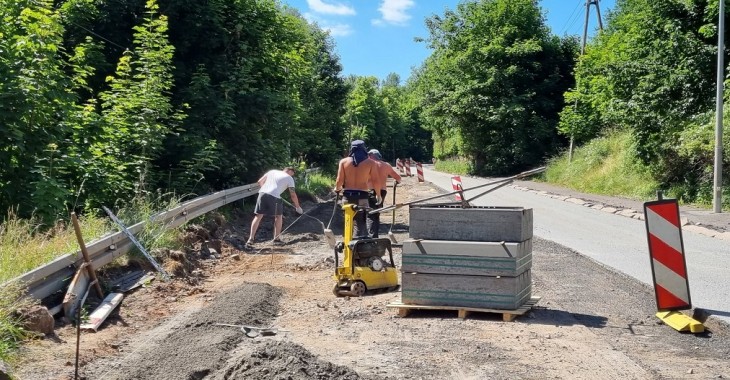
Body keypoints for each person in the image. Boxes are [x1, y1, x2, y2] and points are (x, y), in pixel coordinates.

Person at [334, 140, 382, 238]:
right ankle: (357, 245)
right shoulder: (371, 163)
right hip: (362, 197)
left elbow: (339, 180)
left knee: (348, 221)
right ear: (364, 149)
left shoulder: (343, 162)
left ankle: (347, 244)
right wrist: (378, 195)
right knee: (360, 223)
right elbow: (376, 181)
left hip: (347, 196)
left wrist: (337, 188)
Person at [247, 167, 302, 248]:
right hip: (274, 197)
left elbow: (260, 182)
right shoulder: (289, 178)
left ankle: (250, 239)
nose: (292, 175)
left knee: (258, 216)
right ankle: (276, 239)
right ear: (289, 171)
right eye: (292, 174)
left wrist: (267, 190)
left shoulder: (272, 171)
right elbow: (293, 194)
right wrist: (298, 207)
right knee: (278, 216)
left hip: (262, 193)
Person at [366, 149, 401, 238]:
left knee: (370, 214)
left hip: (370, 191)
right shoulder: (386, 165)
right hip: (382, 191)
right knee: (376, 213)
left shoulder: (368, 165)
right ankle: (374, 235)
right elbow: (398, 178)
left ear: (371, 156)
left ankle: (371, 236)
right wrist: (396, 181)